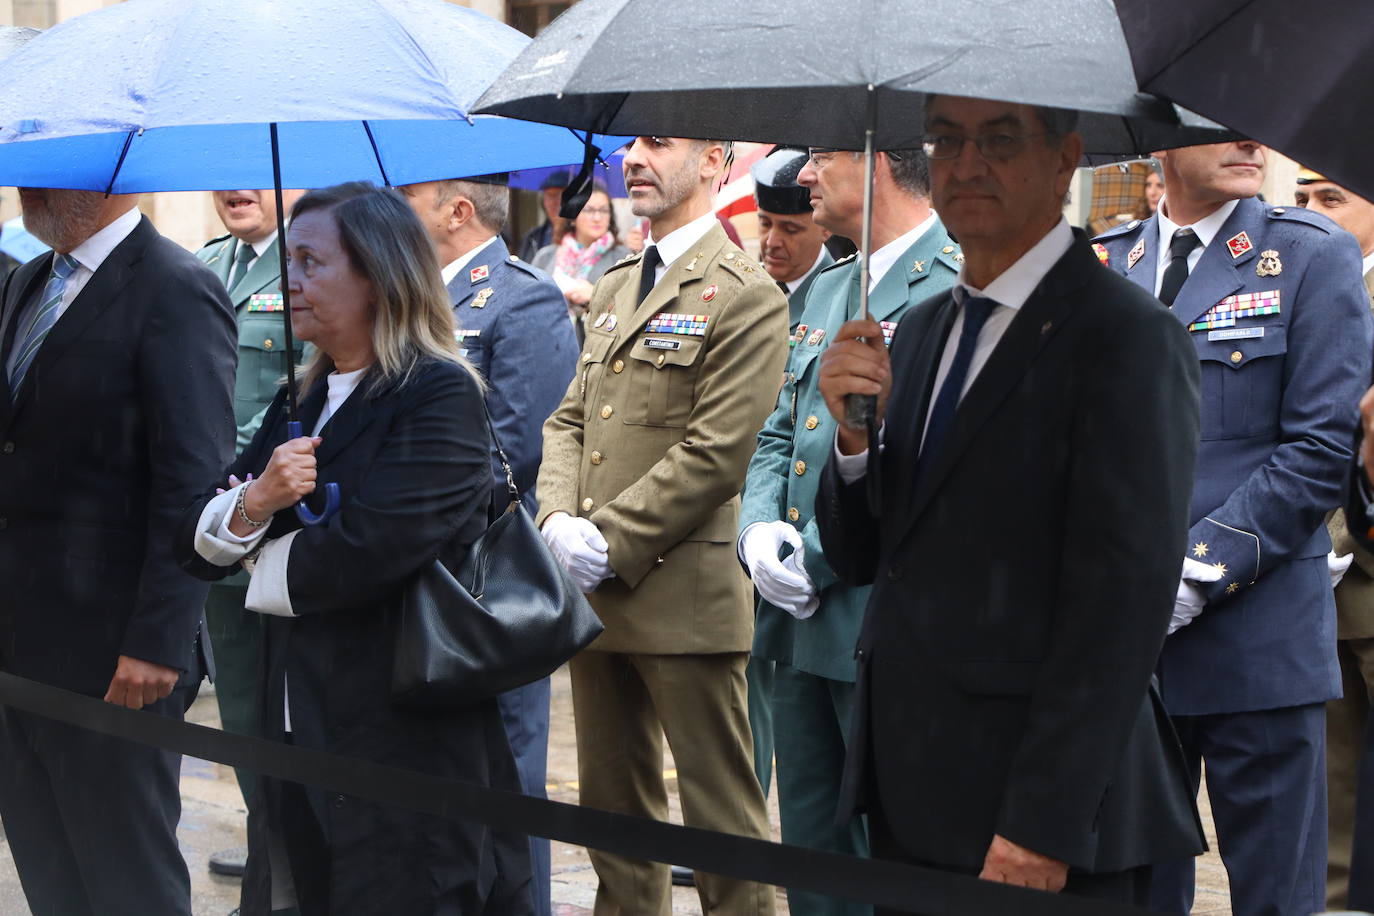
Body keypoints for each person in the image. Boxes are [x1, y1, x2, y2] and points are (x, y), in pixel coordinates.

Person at [815, 95, 1207, 907]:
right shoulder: (918, 331)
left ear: (1066, 158)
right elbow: (870, 558)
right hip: (912, 794)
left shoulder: (1125, 336)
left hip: (1041, 824)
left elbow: (1121, 607)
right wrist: (852, 447)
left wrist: (1042, 823)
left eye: (1000, 139)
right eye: (947, 140)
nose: (967, 164)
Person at [176, 182, 533, 916]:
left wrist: (249, 553)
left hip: (399, 738)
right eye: (291, 260)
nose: (290, 280)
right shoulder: (304, 396)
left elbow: (371, 551)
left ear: (377, 276)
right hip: (299, 723)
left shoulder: (439, 393)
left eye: (310, 262)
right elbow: (199, 530)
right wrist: (258, 503)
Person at [1096, 141, 1373, 916]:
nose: (1250, 141)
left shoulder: (1309, 255)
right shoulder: (1103, 264)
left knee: (1277, 894)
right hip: (1125, 643)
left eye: (1256, 125)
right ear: (1162, 140)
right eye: (1220, 124)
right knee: (1132, 890)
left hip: (1259, 637)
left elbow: (1321, 450)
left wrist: (1198, 569)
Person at [536, 135, 787, 915]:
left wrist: (606, 536)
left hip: (684, 602)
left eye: (659, 144)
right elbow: (570, 419)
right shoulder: (614, 285)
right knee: (614, 826)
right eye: (632, 146)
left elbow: (715, 454)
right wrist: (554, 517)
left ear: (713, 162)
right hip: (595, 599)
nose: (634, 160)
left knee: (725, 838)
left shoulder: (747, 293)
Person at [0, 187, 237, 915]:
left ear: (114, 176)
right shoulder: (30, 279)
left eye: (53, 167)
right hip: (19, 640)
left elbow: (190, 483)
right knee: (48, 864)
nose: (26, 187)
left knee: (124, 871)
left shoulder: (176, 286)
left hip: (114, 652)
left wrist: (158, 642)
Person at [739, 142, 958, 916]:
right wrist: (759, 531)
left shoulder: (956, 283)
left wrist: (820, 554)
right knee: (811, 856)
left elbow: (934, 469)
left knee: (886, 862)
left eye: (824, 157)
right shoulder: (829, 286)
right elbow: (779, 430)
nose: (804, 176)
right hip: (798, 621)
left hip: (878, 618)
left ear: (879, 163)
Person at [399, 171, 575, 916]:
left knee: (505, 782)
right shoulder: (406, 301)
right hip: (410, 574)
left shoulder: (521, 297)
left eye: (405, 200)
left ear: (458, 211)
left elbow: (513, 450)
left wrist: (403, 517)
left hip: (481, 583)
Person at [196, 186, 307, 885]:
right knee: (238, 705)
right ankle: (269, 843)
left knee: (286, 713)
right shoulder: (207, 264)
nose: (238, 189)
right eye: (223, 175)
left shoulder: (310, 263)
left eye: (255, 173)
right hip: (213, 528)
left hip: (276, 525)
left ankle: (295, 863)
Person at [1294, 164, 1374, 910]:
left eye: (1332, 199)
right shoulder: (1303, 283)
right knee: (1333, 809)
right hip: (1324, 586)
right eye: (1305, 199)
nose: (1314, 212)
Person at [532, 182, 629, 342]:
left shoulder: (623, 258)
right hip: (550, 345)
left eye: (604, 210)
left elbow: (631, 310)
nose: (597, 217)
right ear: (572, 217)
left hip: (598, 350)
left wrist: (595, 296)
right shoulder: (546, 256)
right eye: (589, 210)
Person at [753, 147, 835, 333]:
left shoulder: (840, 297)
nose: (772, 242)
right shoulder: (742, 286)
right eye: (765, 224)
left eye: (790, 230)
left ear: (826, 228)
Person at [518, 171, 569, 263]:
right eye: (550, 195)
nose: (554, 202)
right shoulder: (531, 238)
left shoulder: (584, 235)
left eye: (559, 195)